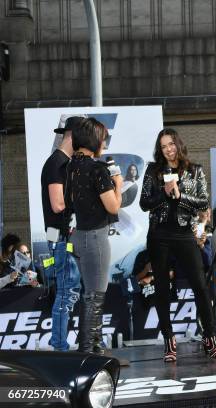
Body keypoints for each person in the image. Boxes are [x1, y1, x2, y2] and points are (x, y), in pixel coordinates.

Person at [139, 128, 216, 362]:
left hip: (185, 234)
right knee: (162, 289)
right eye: (164, 145)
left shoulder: (194, 171)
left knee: (201, 286)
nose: (168, 149)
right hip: (159, 235)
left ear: (178, 144)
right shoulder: (153, 171)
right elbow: (144, 203)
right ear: (160, 149)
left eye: (171, 144)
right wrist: (164, 194)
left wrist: (179, 195)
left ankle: (210, 338)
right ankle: (169, 340)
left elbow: (203, 202)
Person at [67, 118, 122, 354]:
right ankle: (89, 351)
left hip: (78, 236)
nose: (104, 143)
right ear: (94, 140)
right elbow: (113, 207)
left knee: (89, 294)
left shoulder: (69, 167)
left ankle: (93, 346)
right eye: (103, 139)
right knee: (95, 296)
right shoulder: (98, 169)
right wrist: (118, 183)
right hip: (95, 238)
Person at [40, 116, 83, 351]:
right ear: (72, 136)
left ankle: (61, 343)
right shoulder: (56, 163)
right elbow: (58, 205)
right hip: (59, 237)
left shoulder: (63, 163)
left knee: (69, 291)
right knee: (66, 292)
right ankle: (59, 345)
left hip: (61, 236)